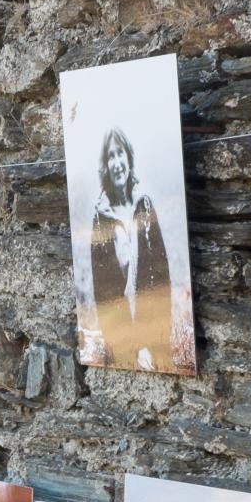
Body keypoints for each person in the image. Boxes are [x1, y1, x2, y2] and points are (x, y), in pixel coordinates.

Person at [87, 126, 174, 371]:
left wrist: (152, 341)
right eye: (110, 156)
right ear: (104, 166)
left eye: (120, 153)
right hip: (122, 338)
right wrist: (129, 346)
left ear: (129, 157)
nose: (116, 163)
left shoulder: (144, 206)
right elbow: (103, 291)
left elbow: (161, 277)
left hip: (154, 331)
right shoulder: (100, 218)